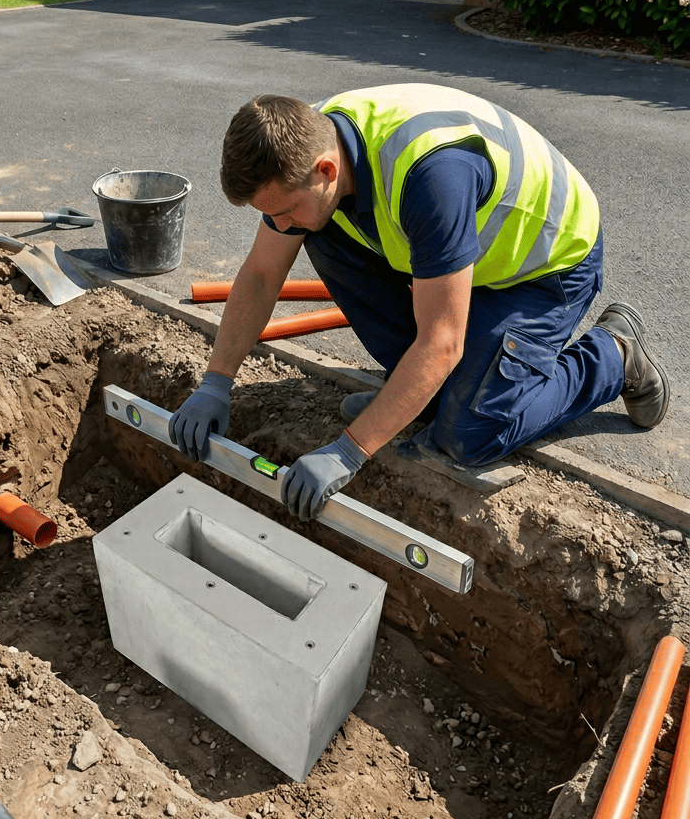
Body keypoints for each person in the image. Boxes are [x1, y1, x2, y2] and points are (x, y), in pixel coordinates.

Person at [169, 85, 669, 521]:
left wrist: (349, 451)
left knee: (469, 434)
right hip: (461, 255)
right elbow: (261, 275)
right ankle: (422, 398)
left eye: (283, 209)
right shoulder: (304, 141)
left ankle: (613, 355)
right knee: (316, 230)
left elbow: (441, 344)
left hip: (543, 265)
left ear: (325, 170)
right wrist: (216, 381)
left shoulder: (431, 178)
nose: (278, 224)